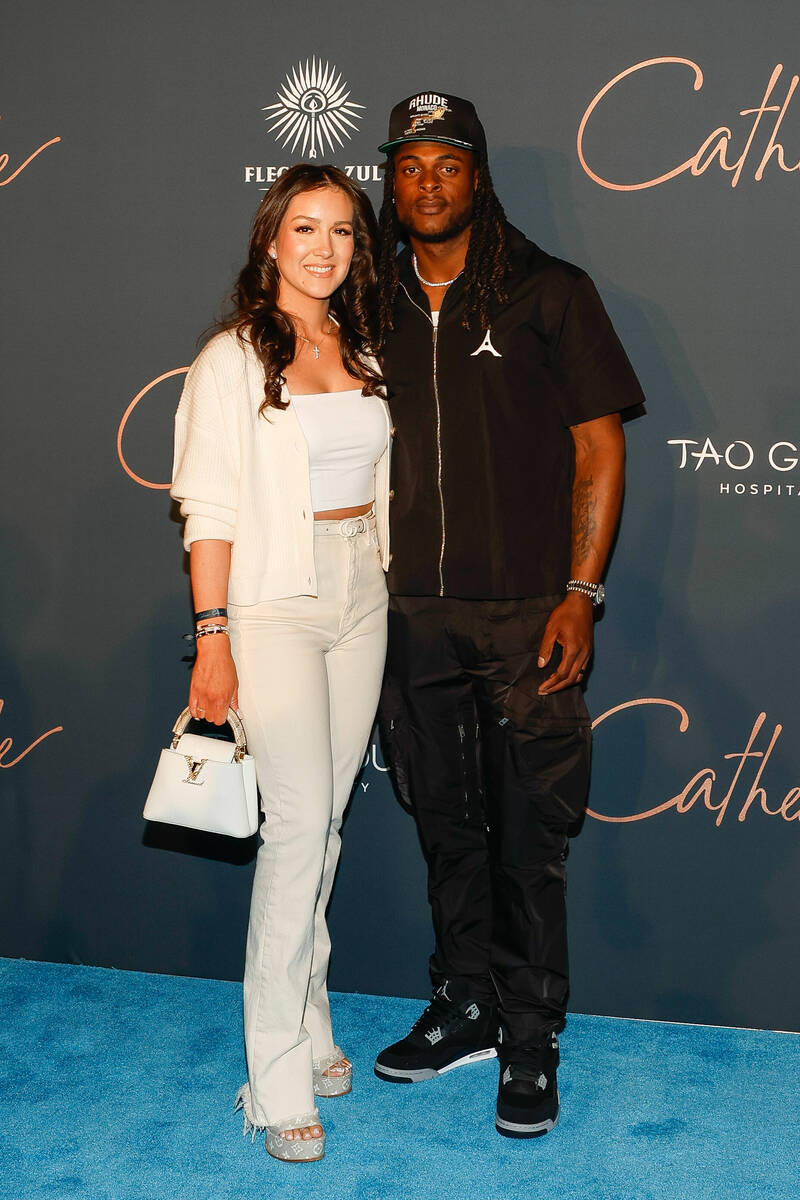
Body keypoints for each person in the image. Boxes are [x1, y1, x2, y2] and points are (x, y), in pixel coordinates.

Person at [373, 93, 644, 1138]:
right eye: (408, 167)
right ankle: (466, 1003)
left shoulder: (548, 293)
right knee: (442, 822)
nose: (427, 183)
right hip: (408, 614)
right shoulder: (365, 300)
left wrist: (580, 594)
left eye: (447, 164)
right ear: (388, 184)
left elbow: (599, 446)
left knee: (527, 832)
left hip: (531, 612)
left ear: (477, 177)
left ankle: (528, 1036)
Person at [170, 164, 391, 1163]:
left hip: (360, 592)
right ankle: (274, 1077)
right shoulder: (229, 360)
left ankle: (313, 1019)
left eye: (341, 230)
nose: (322, 247)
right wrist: (211, 637)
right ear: (270, 241)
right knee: (298, 828)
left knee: (328, 821)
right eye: (304, 228)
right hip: (271, 600)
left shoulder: (364, 345)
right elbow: (207, 509)